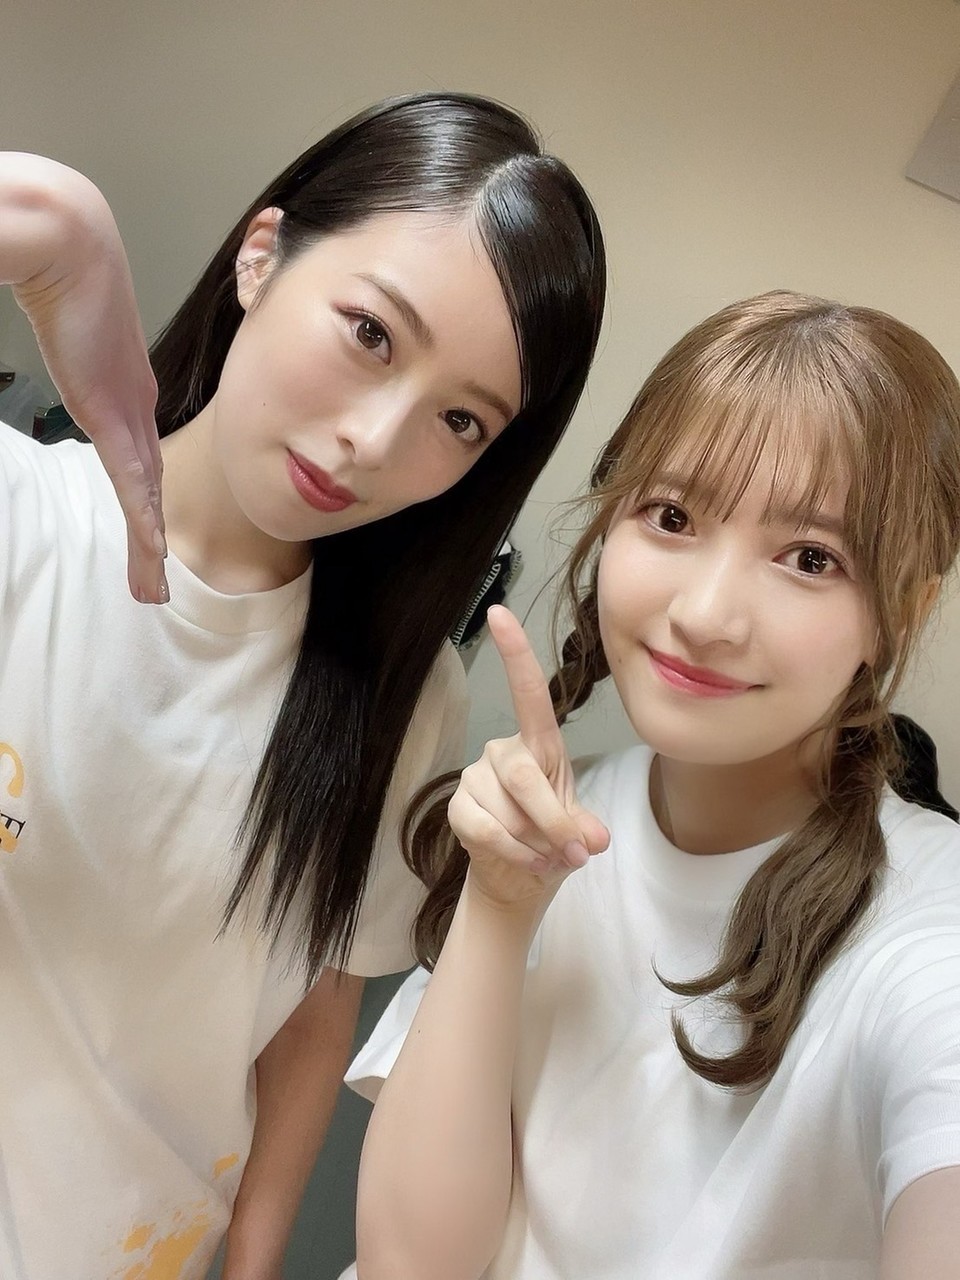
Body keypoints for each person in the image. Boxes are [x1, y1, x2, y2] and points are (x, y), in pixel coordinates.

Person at [0, 92, 605, 1280]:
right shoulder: (19, 516)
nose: (376, 439)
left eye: (460, 418)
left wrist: (255, 1259)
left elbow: (313, 1007)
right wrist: (40, 214)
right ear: (261, 255)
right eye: (373, 332)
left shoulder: (404, 701)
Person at [348, 291, 960, 1280]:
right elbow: (411, 1264)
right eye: (671, 515)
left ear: (902, 612)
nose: (707, 613)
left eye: (810, 558)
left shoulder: (930, 932)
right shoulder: (544, 824)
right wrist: (498, 906)